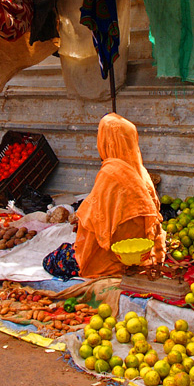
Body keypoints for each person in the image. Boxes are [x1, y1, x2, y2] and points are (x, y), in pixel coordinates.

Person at [71, 113, 166, 278]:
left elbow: (95, 221)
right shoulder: (140, 172)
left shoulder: (111, 173)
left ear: (105, 140)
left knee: (53, 259)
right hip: (142, 255)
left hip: (112, 261)